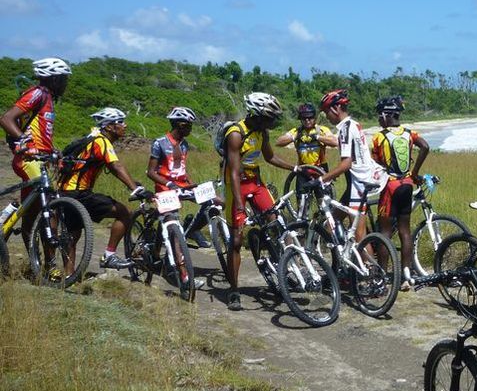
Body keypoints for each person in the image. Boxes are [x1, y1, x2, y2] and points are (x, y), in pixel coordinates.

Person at [222, 92, 308, 312]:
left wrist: (295, 168)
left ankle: (285, 272)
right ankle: (234, 290)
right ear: (257, 115)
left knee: (277, 223)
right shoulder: (235, 134)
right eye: (270, 118)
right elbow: (232, 172)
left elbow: (270, 157)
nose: (272, 123)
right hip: (236, 185)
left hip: (255, 181)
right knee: (237, 240)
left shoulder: (262, 133)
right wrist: (240, 204)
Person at [58, 107, 148, 273]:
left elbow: (113, 169)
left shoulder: (93, 138)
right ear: (108, 127)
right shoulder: (102, 141)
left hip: (65, 192)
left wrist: (133, 183)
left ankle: (68, 275)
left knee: (73, 234)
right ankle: (108, 256)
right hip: (79, 193)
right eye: (120, 122)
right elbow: (116, 165)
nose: (125, 125)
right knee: (124, 212)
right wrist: (134, 189)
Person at [1, 57, 72, 248]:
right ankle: (50, 265)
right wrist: (24, 142)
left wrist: (54, 151)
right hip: (27, 160)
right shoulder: (38, 93)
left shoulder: (48, 99)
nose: (66, 83)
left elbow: (39, 133)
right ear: (54, 79)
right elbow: (7, 118)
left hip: (39, 161)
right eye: (64, 79)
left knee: (31, 213)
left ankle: (5, 227)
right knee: (49, 203)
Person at [370, 96, 429, 289]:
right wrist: (415, 172)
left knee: (384, 232)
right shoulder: (410, 133)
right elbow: (425, 147)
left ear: (386, 116)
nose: (379, 120)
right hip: (407, 185)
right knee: (405, 231)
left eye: (380, 116)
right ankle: (405, 275)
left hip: (390, 186)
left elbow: (374, 161)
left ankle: (382, 279)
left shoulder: (379, 137)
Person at [318, 89, 387, 242]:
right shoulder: (352, 124)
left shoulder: (346, 128)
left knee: (358, 234)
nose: (326, 117)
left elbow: (346, 163)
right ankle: (340, 262)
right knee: (333, 221)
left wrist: (321, 179)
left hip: (359, 184)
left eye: (326, 112)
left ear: (335, 109)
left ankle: (368, 266)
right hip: (355, 182)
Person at [145, 106, 216, 249]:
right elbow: (151, 172)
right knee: (171, 223)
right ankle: (158, 251)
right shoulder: (160, 143)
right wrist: (169, 184)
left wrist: (192, 183)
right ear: (181, 125)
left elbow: (180, 169)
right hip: (165, 187)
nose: (191, 129)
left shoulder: (184, 144)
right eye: (189, 125)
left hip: (182, 186)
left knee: (215, 203)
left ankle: (192, 229)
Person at [275, 102, 337, 191]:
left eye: (310, 117)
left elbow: (335, 142)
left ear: (315, 118)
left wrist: (318, 137)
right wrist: (295, 137)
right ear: (300, 119)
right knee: (301, 201)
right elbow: (278, 142)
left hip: (320, 169)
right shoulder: (296, 131)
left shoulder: (322, 130)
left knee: (323, 200)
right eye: (304, 118)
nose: (307, 120)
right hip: (303, 170)